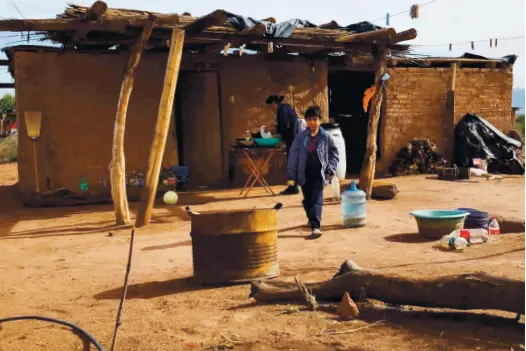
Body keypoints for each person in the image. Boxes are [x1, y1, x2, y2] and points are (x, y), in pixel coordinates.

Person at [286, 106, 339, 238]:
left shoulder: (326, 137)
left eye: (315, 119)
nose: (312, 122)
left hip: (320, 172)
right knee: (307, 200)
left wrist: (331, 168)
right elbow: (293, 156)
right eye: (309, 120)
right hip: (304, 173)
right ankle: (311, 216)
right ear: (306, 121)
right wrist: (291, 175)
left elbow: (334, 154)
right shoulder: (300, 138)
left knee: (317, 199)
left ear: (320, 120)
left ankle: (315, 226)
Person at [266, 95, 306, 195]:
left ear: (274, 103)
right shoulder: (285, 108)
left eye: (270, 107)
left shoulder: (282, 110)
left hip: (293, 140)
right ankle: (293, 186)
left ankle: (293, 187)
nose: (271, 109)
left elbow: (285, 126)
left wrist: (273, 130)